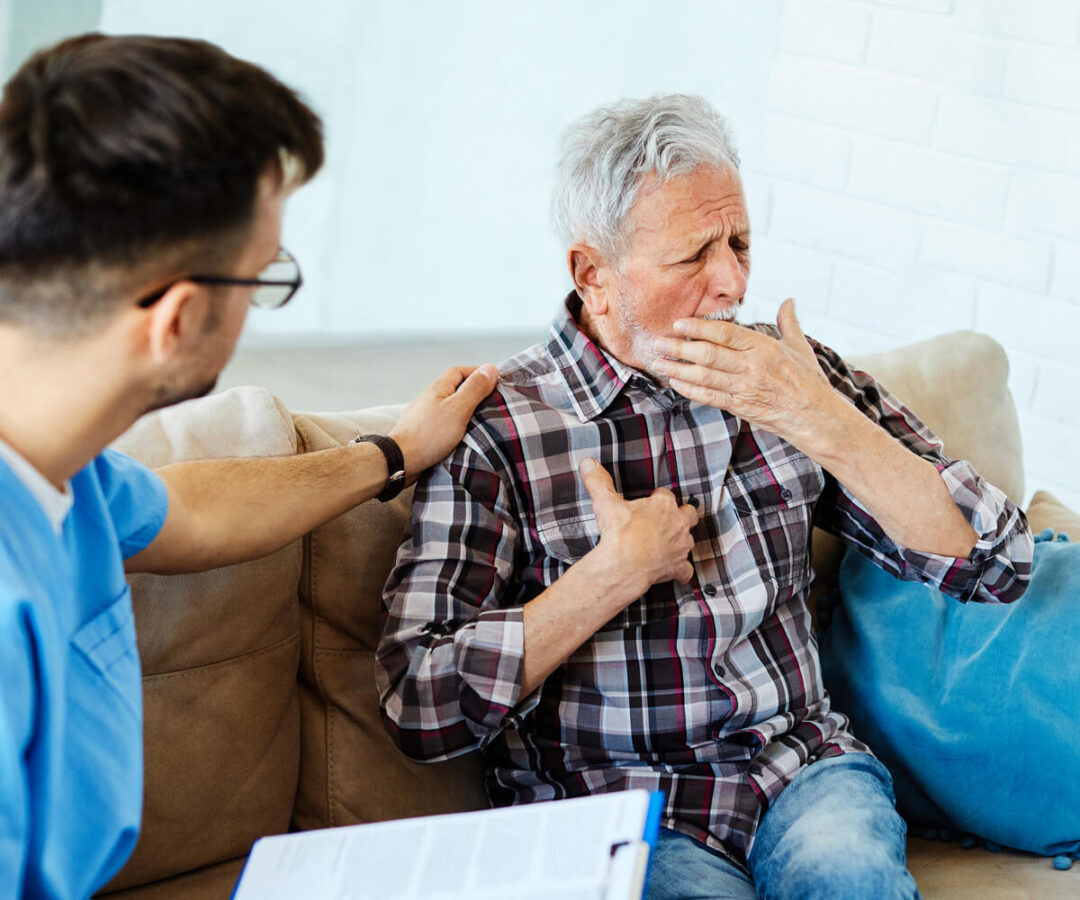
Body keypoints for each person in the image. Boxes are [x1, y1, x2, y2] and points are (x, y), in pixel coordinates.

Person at [376, 94, 1033, 900]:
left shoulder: (787, 377)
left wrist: (815, 415)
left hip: (799, 771)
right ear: (595, 275)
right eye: (694, 256)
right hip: (614, 806)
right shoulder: (497, 427)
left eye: (741, 243)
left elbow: (996, 563)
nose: (731, 282)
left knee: (853, 878)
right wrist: (607, 578)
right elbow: (419, 704)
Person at [0, 34, 497, 899]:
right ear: (180, 316)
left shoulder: (62, 477)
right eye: (265, 278)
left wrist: (394, 453)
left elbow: (189, 512)